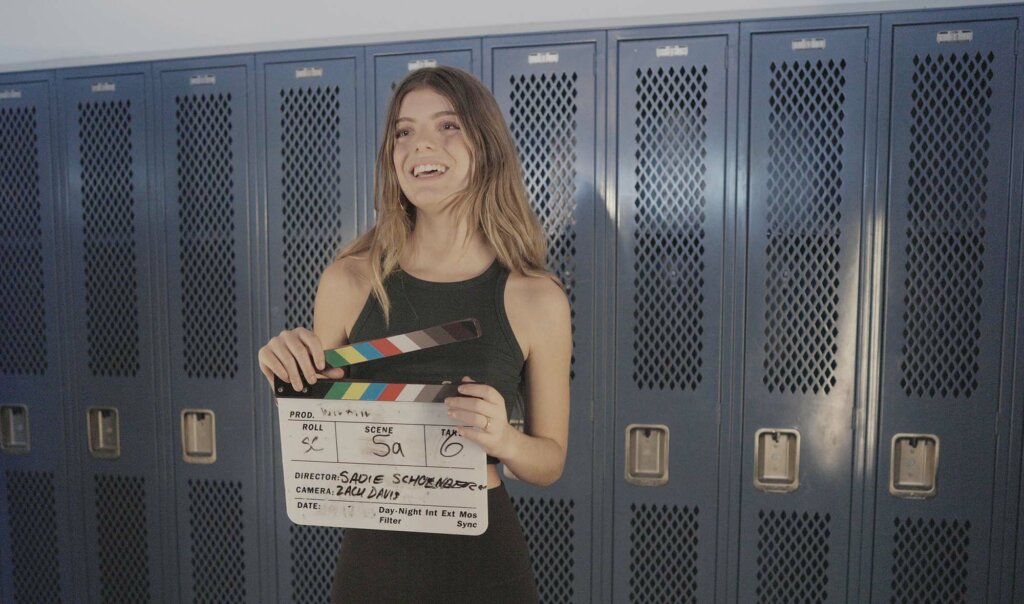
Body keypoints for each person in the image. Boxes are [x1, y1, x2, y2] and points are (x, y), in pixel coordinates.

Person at [257, 65, 571, 603]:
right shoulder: (349, 280)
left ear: (486, 146)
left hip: (483, 558)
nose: (420, 143)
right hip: (376, 556)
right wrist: (287, 373)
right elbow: (316, 423)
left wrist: (504, 439)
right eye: (404, 131)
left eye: (447, 125)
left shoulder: (535, 297)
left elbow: (549, 462)